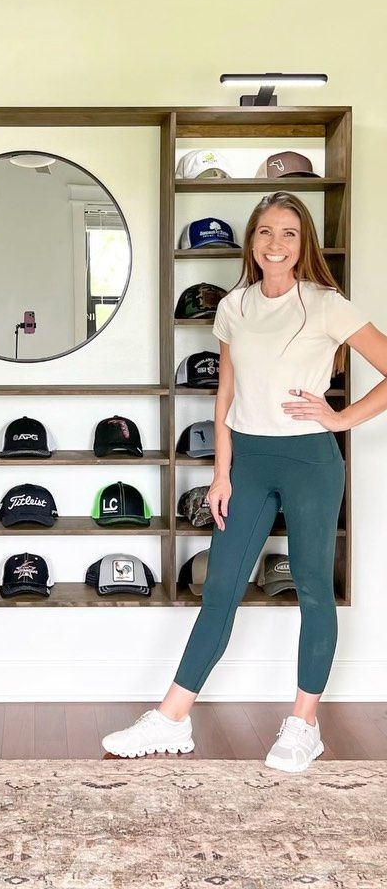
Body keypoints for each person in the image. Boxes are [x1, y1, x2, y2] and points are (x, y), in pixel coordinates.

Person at [102, 190, 387, 772]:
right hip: (249, 464)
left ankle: (304, 724)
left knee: (312, 588)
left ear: (302, 243)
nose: (275, 244)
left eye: (287, 233)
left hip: (310, 460)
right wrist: (221, 474)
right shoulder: (234, 306)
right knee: (221, 587)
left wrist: (340, 418)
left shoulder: (327, 304)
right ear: (252, 242)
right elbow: (225, 395)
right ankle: (173, 717)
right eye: (264, 233)